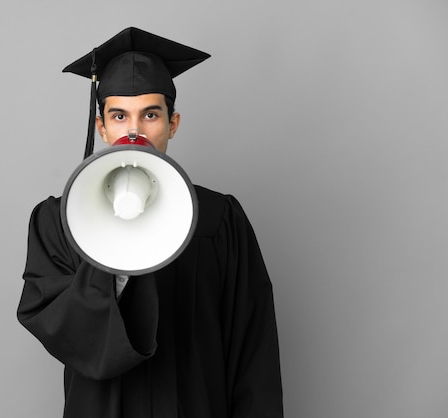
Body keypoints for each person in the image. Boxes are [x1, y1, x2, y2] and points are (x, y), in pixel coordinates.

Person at [17, 27, 284, 418]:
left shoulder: (218, 218)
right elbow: (61, 330)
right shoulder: (57, 221)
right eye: (119, 115)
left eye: (151, 114)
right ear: (101, 126)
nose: (135, 130)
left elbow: (252, 350)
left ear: (173, 124)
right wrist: (112, 263)